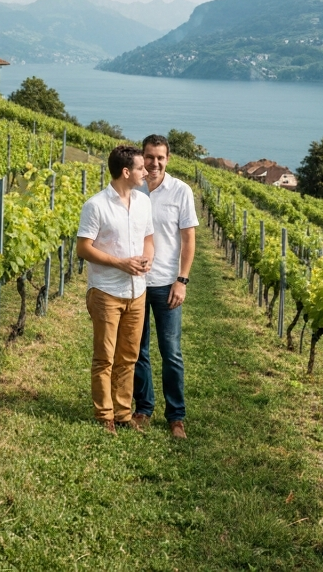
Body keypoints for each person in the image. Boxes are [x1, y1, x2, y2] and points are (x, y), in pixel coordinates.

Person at [76, 144, 155, 433]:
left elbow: (148, 237)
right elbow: (83, 248)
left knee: (128, 357)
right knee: (105, 358)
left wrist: (148, 259)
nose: (146, 172)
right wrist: (120, 264)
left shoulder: (143, 202)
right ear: (126, 172)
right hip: (106, 291)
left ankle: (123, 413)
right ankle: (104, 415)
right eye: (140, 168)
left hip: (137, 291)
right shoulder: (96, 205)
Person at [131, 134, 198, 440]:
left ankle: (176, 416)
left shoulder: (181, 191)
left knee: (171, 352)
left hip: (167, 284)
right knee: (138, 350)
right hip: (135, 284)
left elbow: (188, 240)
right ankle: (143, 408)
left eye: (160, 157)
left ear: (168, 159)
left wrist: (181, 280)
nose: (154, 163)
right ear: (141, 158)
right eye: (149, 156)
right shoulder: (132, 188)